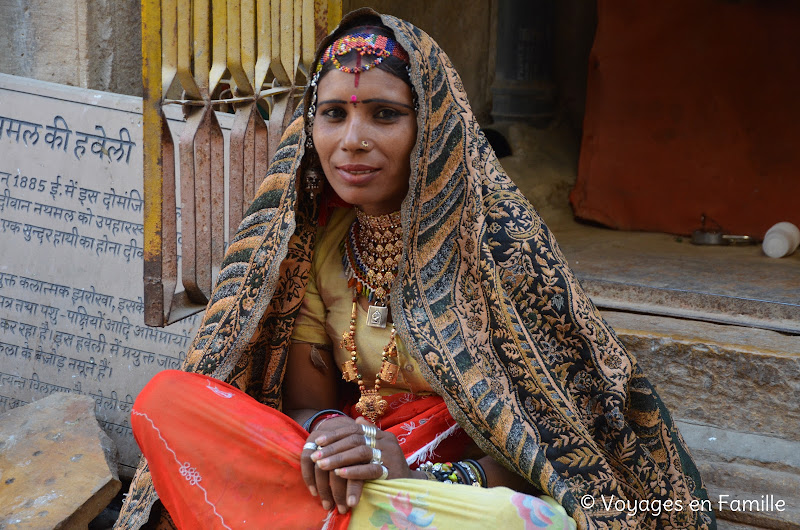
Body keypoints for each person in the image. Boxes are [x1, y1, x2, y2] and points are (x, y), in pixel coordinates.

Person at [116, 9, 715, 530]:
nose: (352, 140)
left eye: (383, 114)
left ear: (431, 127)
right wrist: (332, 440)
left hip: (457, 489)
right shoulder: (313, 243)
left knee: (523, 521)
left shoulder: (497, 246)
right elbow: (307, 402)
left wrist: (415, 471)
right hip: (355, 470)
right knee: (166, 400)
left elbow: (551, 445)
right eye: (332, 115)